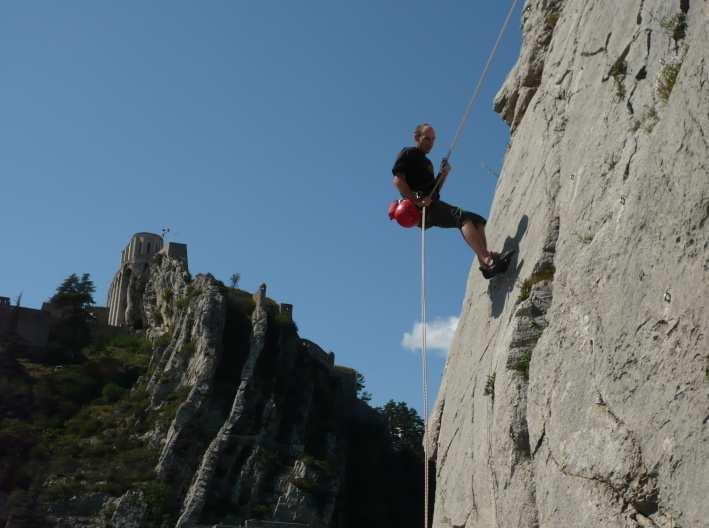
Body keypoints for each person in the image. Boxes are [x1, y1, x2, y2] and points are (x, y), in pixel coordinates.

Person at [392, 123, 505, 278]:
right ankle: (488, 259)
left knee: (477, 220)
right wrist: (417, 200)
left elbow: (434, 192)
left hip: (429, 204)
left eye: (433, 140)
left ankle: (485, 265)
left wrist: (442, 175)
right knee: (462, 218)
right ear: (416, 138)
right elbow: (398, 181)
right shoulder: (409, 153)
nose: (430, 143)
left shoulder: (428, 164)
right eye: (426, 139)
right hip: (419, 209)